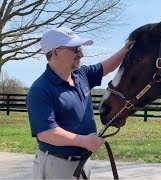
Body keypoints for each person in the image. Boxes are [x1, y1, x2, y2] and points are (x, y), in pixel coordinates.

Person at [26, 27, 134, 179]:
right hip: (56, 165)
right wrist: (84, 141)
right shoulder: (40, 89)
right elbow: (46, 134)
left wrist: (125, 50)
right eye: (75, 49)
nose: (81, 54)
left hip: (82, 162)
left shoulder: (80, 75)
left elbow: (105, 67)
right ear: (55, 52)